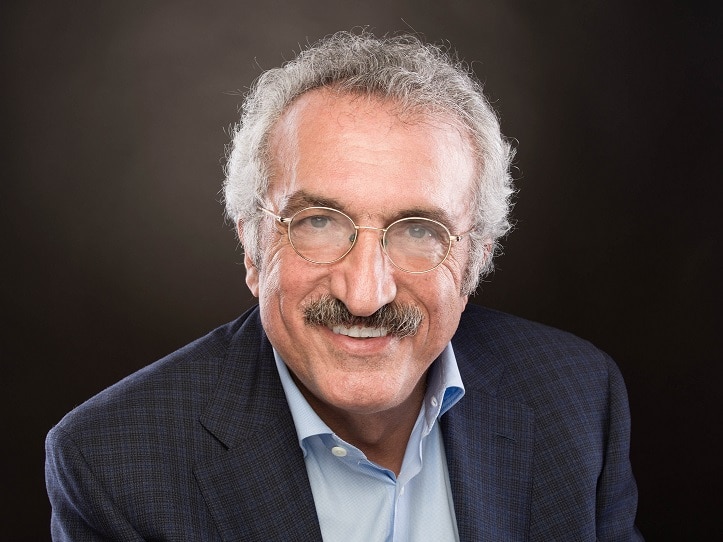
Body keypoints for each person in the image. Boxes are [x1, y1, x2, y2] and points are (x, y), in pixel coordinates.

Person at [45, 31, 643, 541]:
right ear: (253, 247)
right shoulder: (113, 462)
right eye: (319, 223)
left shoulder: (579, 399)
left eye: (418, 231)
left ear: (475, 260)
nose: (364, 295)